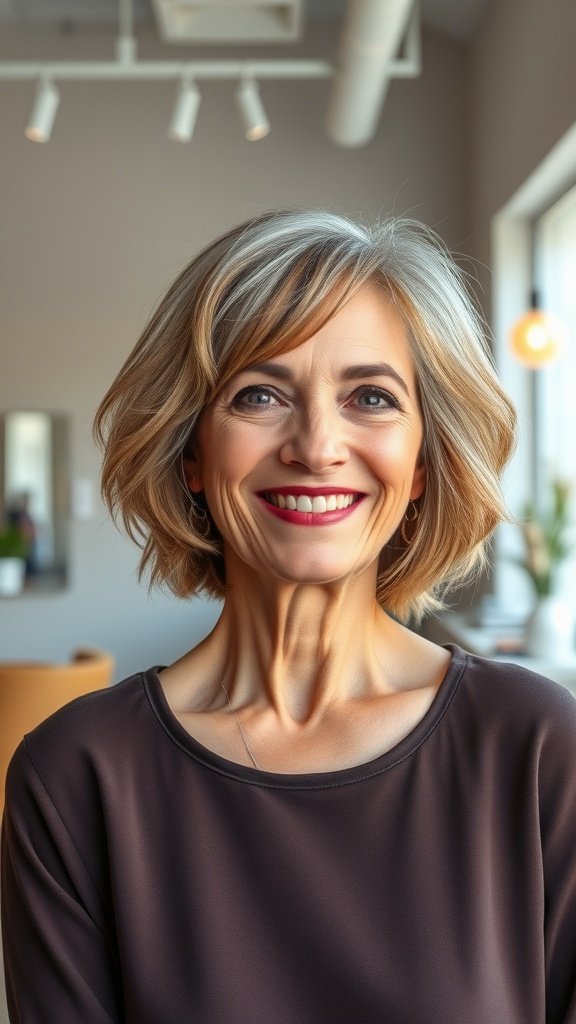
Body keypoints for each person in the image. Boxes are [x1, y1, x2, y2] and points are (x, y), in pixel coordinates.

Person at [2, 210, 576, 1024]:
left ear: (422, 463)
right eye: (259, 395)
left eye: (370, 397)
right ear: (192, 454)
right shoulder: (77, 777)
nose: (316, 445)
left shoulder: (538, 747)